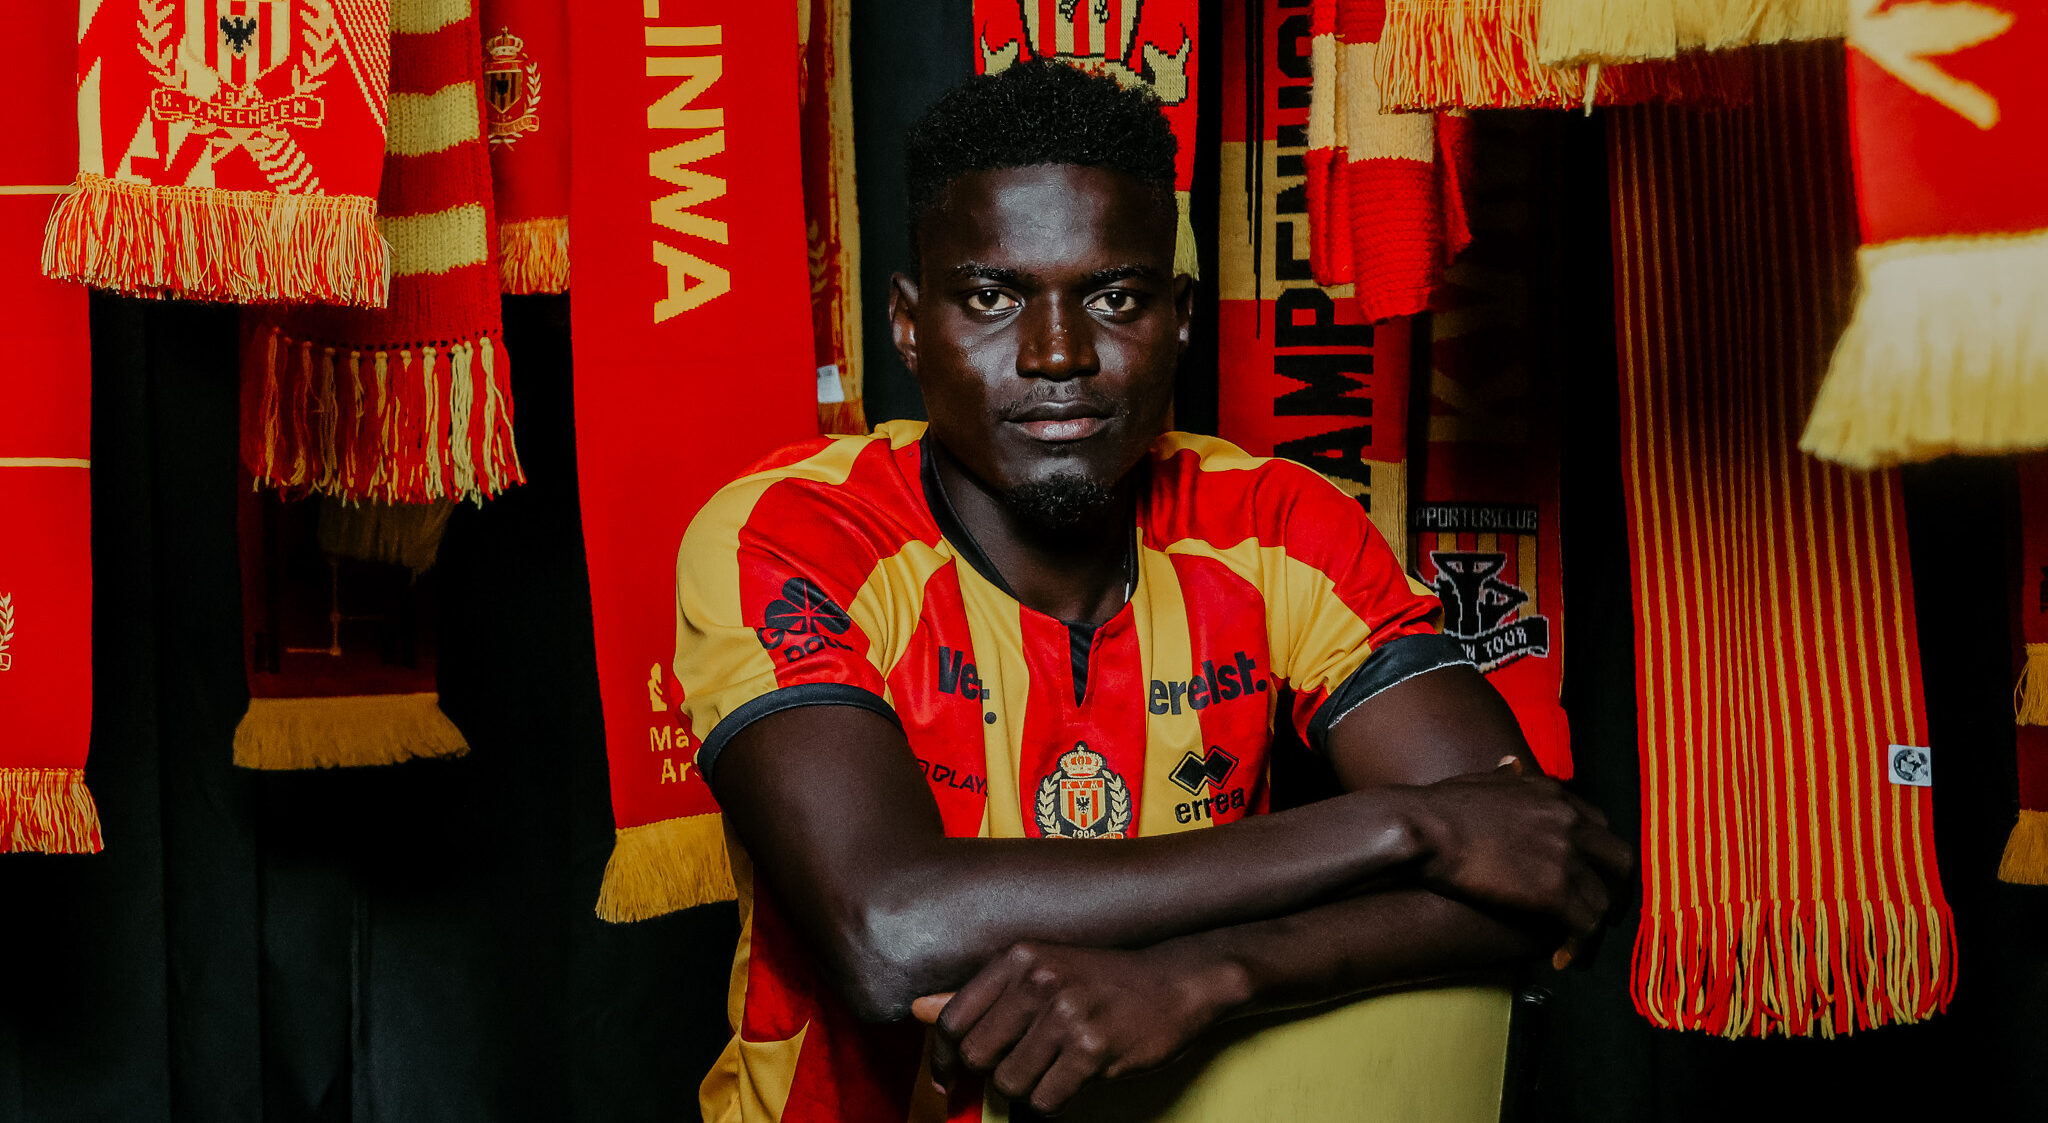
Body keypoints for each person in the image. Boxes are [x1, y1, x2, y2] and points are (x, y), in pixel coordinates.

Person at [680, 60, 1630, 1123]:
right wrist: (1407, 828)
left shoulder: (1275, 523)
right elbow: (890, 930)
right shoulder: (796, 532)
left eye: (1114, 298)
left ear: (1179, 319)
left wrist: (1207, 974)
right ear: (908, 324)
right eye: (991, 298)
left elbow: (1538, 864)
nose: (1057, 354)